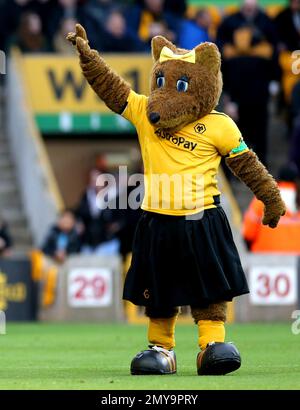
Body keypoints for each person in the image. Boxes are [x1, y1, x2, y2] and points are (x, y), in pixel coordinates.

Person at [217, 0, 278, 165]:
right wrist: (227, 92)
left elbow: (274, 53)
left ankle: (261, 168)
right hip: (236, 87)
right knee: (234, 132)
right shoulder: (229, 22)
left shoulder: (266, 22)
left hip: (260, 86)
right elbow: (219, 53)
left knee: (260, 130)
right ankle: (234, 169)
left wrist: (274, 80)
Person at [243, 164, 300, 253]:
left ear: (278, 179)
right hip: (296, 261)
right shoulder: (297, 198)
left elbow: (248, 233)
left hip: (263, 259)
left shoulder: (262, 199)